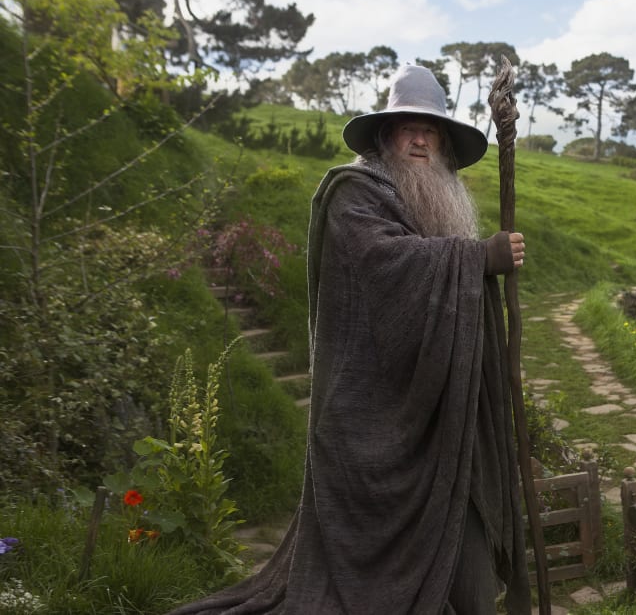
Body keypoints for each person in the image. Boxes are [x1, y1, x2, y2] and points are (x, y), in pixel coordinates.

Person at [169, 65, 531, 614]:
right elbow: (383, 263)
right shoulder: (353, 194)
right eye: (407, 127)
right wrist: (478, 257)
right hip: (366, 415)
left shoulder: (441, 203)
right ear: (385, 135)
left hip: (439, 411)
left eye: (430, 130)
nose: (418, 139)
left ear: (443, 143)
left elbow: (443, 301)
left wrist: (478, 264)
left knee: (470, 564)